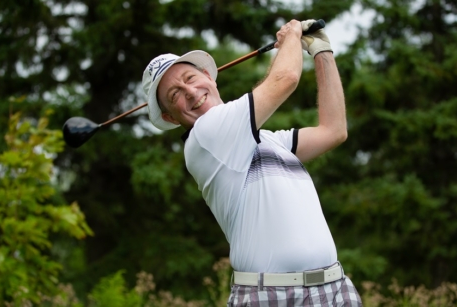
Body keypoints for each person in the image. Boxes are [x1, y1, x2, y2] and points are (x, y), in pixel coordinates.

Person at [141, 19, 362, 307]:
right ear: (171, 117)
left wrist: (322, 53)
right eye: (175, 95)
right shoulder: (206, 136)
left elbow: (334, 131)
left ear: (209, 75)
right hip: (270, 296)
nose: (191, 93)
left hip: (333, 288)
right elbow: (285, 79)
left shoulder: (271, 140)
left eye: (190, 79)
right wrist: (292, 34)